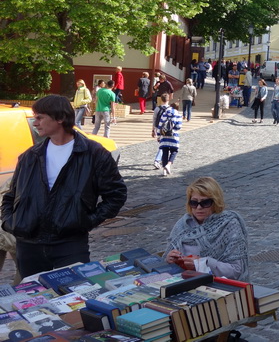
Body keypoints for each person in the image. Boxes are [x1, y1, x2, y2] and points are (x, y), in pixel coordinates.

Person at [1, 95, 127, 278]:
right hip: (29, 243)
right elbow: (11, 195)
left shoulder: (94, 153)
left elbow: (116, 195)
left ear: (60, 118)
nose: (35, 123)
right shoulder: (30, 156)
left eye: (40, 117)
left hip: (70, 242)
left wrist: (86, 221)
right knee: (34, 299)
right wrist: (10, 222)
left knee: (74, 294)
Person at [164, 177, 249, 281]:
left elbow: (236, 271)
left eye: (205, 203)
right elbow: (166, 262)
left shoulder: (229, 224)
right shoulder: (183, 224)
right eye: (194, 203)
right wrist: (169, 259)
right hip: (184, 283)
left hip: (218, 287)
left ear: (216, 202)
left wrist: (203, 263)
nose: (199, 207)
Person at [155, 100, 183, 176]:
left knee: (165, 152)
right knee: (174, 150)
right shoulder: (178, 115)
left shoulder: (164, 114)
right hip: (173, 135)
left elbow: (160, 125)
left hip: (164, 136)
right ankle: (169, 164)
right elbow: (179, 126)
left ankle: (164, 170)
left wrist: (158, 135)